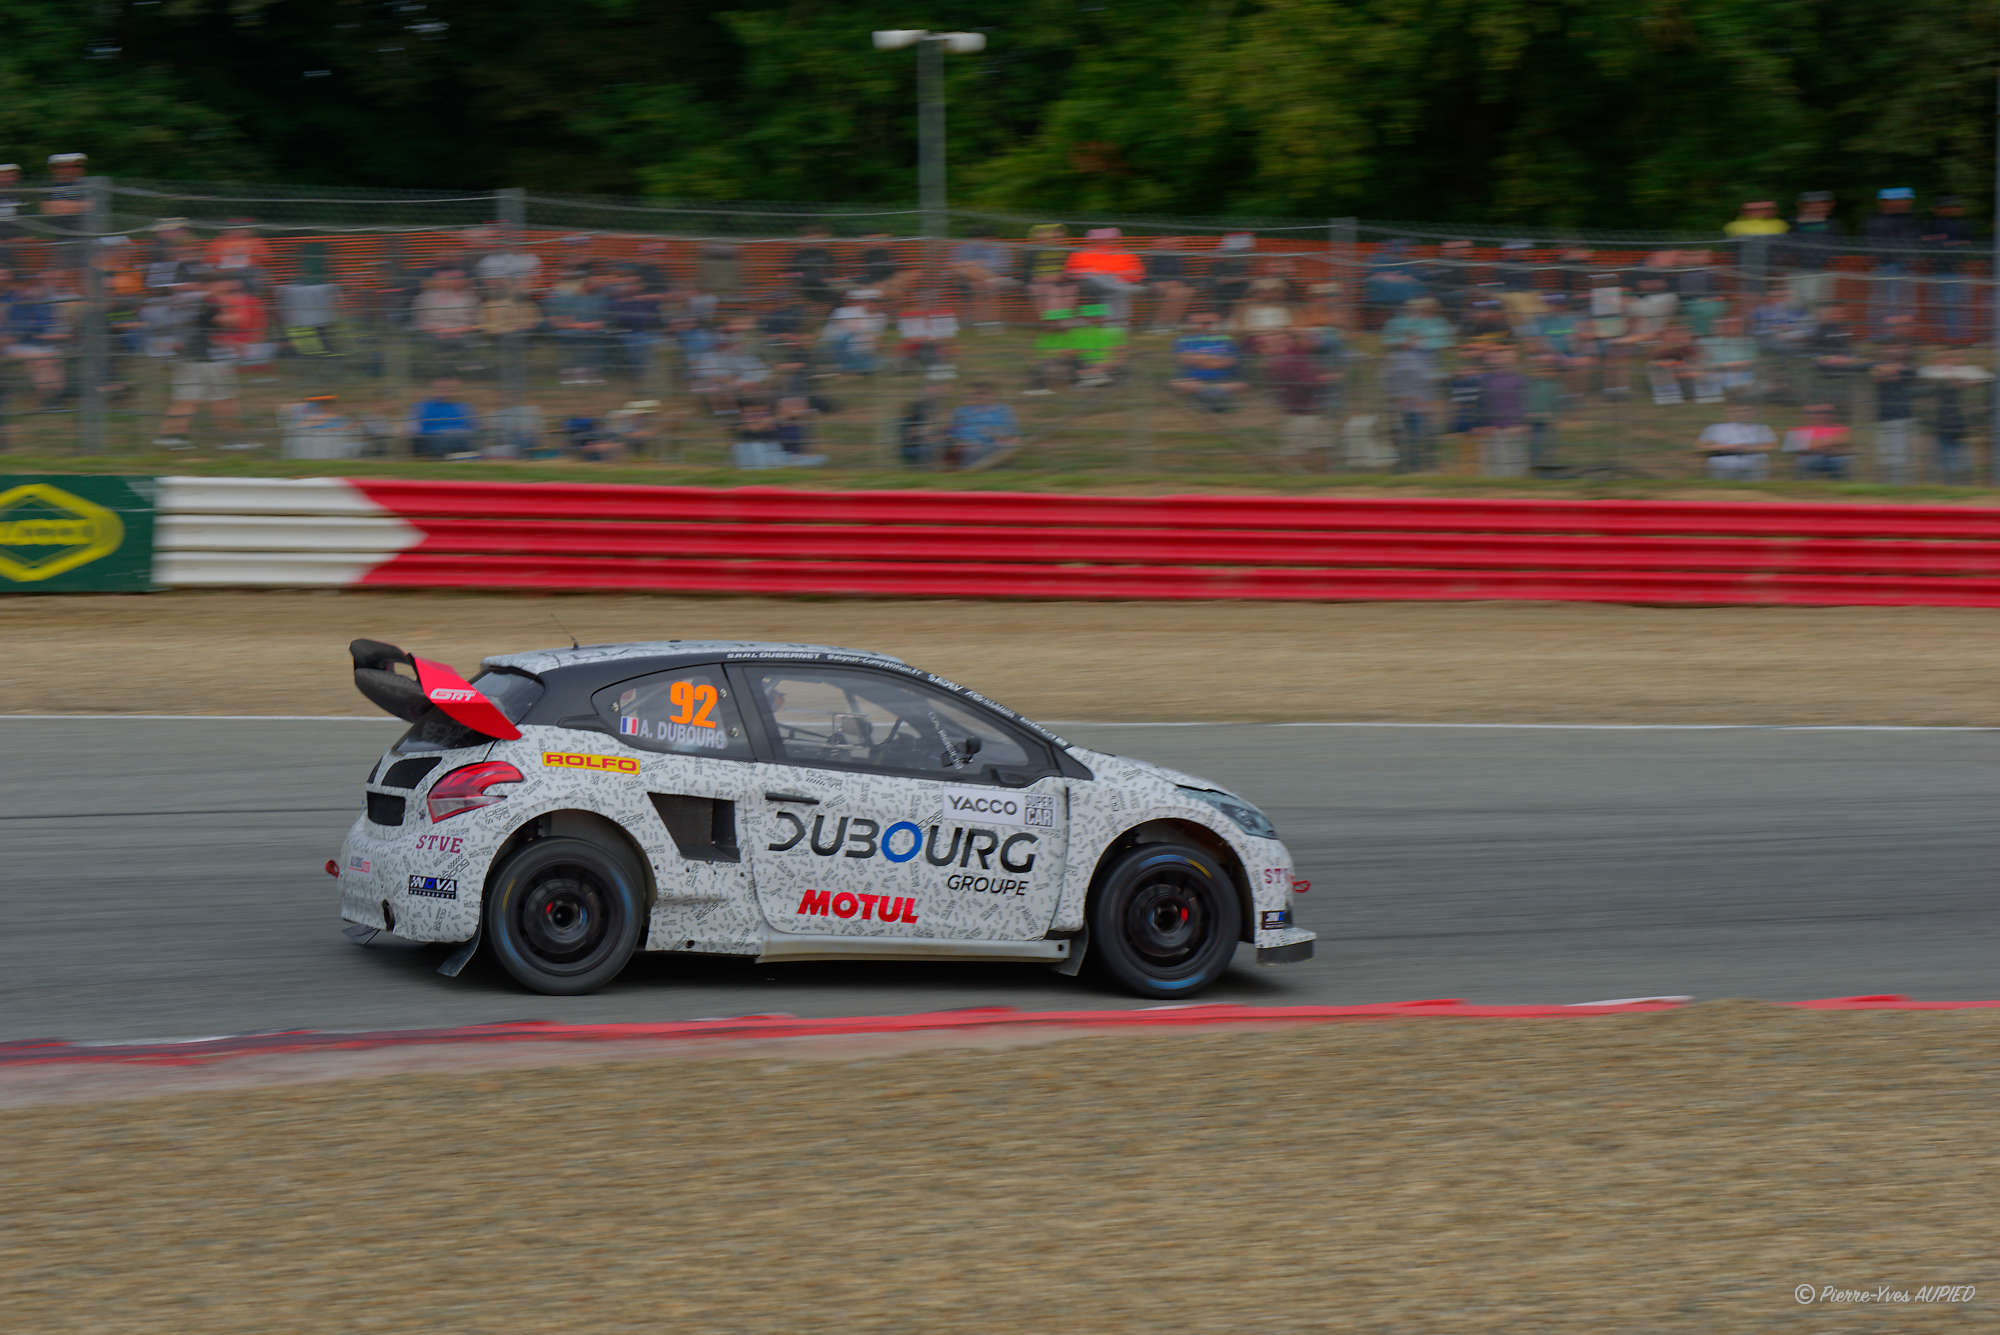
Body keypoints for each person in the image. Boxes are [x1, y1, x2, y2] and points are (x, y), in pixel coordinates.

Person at [1268, 330, 1329, 472]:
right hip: (1299, 412)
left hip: (1305, 410)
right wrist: (1323, 379)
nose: (1313, 342)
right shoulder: (1290, 359)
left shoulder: (1300, 357)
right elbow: (1306, 382)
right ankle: (1298, 474)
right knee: (1297, 451)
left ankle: (1309, 474)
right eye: (1309, 339)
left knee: (1315, 448)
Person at [1381, 337, 1438, 472]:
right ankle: (1403, 462)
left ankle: (1415, 463)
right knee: (1398, 434)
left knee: (1416, 434)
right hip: (1400, 404)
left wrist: (1426, 401)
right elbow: (1384, 378)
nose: (1414, 344)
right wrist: (1395, 396)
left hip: (1417, 405)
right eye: (1411, 341)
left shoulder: (1425, 360)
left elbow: (1429, 382)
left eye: (1416, 341)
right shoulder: (1394, 358)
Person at [1064, 227, 1143, 324]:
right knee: (1101, 281)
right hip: (1087, 286)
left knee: (1115, 291)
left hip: (1116, 284)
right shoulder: (1080, 254)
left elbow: (1136, 273)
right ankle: (1114, 324)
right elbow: (1070, 273)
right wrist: (1092, 272)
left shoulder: (1126, 254)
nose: (1105, 242)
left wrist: (1112, 275)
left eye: (1109, 239)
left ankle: (1113, 328)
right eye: (1100, 240)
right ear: (1093, 241)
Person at [1170, 310, 1244, 411]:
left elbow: (1230, 361)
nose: (1205, 326)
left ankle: (1204, 397)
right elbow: (1185, 360)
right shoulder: (1183, 340)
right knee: (1178, 383)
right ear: (1190, 324)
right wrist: (1215, 358)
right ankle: (1217, 397)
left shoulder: (1226, 339)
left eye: (1209, 323)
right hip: (1193, 380)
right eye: (1199, 323)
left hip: (1224, 379)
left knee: (1240, 385)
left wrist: (1200, 359)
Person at [1476, 344, 1530, 477]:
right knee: (1492, 467)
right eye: (1501, 355)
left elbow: (1527, 403)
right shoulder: (1485, 380)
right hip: (1492, 430)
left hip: (1516, 429)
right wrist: (1482, 425)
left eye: (1508, 355)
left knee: (1516, 466)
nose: (1503, 358)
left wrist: (1525, 424)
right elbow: (1481, 404)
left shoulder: (1521, 380)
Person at [948, 381, 1021, 471]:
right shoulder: (961, 412)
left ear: (993, 395)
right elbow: (953, 433)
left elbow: (1013, 435)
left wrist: (996, 433)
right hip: (969, 446)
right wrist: (959, 442)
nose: (979, 397)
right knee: (972, 450)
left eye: (984, 393)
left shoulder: (1003, 410)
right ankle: (971, 472)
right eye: (975, 394)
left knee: (1002, 447)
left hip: (995, 445)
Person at [408, 377, 479, 458]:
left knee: (465, 438)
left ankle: (462, 458)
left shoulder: (464, 407)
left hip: (461, 438)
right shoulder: (421, 407)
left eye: (451, 389)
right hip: (432, 440)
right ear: (432, 390)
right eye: (441, 389)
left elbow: (474, 427)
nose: (447, 392)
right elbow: (412, 430)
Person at [1695, 410, 1776, 481]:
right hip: (1721, 470)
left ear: (1753, 413)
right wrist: (1726, 448)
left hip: (1753, 471)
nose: (1741, 414)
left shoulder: (1762, 428)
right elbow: (1702, 447)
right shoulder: (1715, 428)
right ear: (1728, 413)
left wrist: (1746, 448)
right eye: (1736, 411)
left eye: (1745, 411)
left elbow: (1770, 446)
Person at [1782, 403, 1852, 479]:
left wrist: (1811, 444)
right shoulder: (1798, 429)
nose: (1822, 415)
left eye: (1826, 412)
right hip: (1809, 458)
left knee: (1843, 461)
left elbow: (1848, 447)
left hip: (1835, 457)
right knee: (1805, 461)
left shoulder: (1841, 428)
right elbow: (1791, 447)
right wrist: (1833, 441)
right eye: (1815, 413)